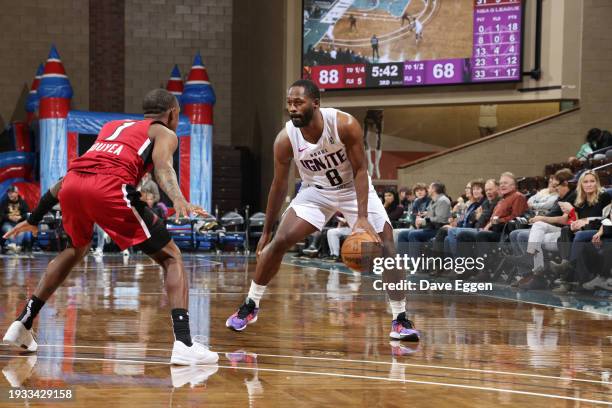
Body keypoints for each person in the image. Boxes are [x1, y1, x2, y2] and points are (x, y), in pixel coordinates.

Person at [2, 89, 217, 365]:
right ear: (173, 113)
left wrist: (34, 219)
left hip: (72, 185)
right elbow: (164, 167)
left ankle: (23, 323)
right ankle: (185, 343)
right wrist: (178, 199)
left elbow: (68, 179)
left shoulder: (111, 127)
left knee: (75, 249)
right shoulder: (164, 133)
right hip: (109, 188)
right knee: (171, 256)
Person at [225, 79, 419, 342]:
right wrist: (267, 231)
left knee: (387, 246)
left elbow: (362, 171)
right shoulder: (285, 139)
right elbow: (279, 185)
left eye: (298, 102)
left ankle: (400, 319)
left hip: (353, 189)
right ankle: (251, 305)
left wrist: (361, 217)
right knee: (280, 241)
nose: (292, 108)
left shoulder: (344, 125)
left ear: (315, 103)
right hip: (317, 191)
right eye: (289, 103)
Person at [0, 185, 30, 252]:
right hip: (8, 223)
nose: (10, 194)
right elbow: (1, 213)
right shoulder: (4, 202)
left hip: (19, 223)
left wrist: (20, 217)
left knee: (20, 231)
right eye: (9, 193)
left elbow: (27, 213)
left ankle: (14, 246)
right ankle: (17, 247)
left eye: (12, 193)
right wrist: (9, 217)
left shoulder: (22, 202)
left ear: (17, 193)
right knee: (9, 230)